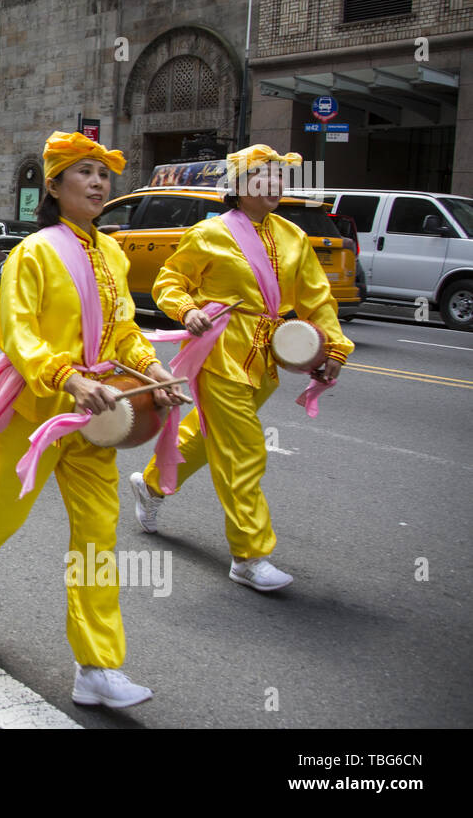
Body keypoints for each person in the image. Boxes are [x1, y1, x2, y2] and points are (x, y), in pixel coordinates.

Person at [0, 131, 187, 708]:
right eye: (85, 173)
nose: (99, 183)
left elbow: (123, 328)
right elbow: (16, 332)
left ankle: (96, 666)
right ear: (53, 185)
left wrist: (152, 370)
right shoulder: (35, 251)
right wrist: (65, 376)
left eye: (104, 173)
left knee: (98, 537)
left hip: (98, 416)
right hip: (34, 409)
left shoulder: (114, 253)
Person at [129, 144, 353, 591]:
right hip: (220, 353)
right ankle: (249, 555)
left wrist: (334, 349)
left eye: (278, 177)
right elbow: (170, 280)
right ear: (239, 186)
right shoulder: (210, 233)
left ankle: (151, 485)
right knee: (244, 450)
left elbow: (316, 300)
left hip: (267, 356)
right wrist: (187, 309)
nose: (273, 185)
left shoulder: (292, 236)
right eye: (262, 178)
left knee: (210, 437)